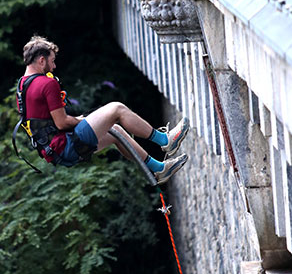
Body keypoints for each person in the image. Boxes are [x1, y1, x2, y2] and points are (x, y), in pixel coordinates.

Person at [16, 35, 189, 184]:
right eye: (52, 61)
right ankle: (166, 141)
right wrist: (82, 120)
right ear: (41, 60)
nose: (54, 67)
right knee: (117, 109)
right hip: (66, 145)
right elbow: (62, 123)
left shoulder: (22, 87)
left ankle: (159, 169)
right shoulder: (46, 83)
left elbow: (49, 122)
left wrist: (80, 120)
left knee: (116, 132)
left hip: (56, 151)